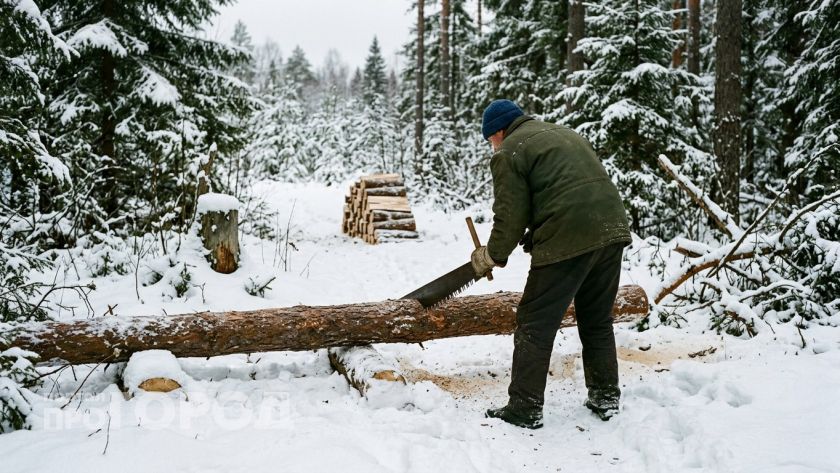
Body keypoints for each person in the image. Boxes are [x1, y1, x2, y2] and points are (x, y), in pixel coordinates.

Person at [470, 99, 632, 429]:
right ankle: (605, 396)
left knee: (534, 321)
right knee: (596, 318)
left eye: (490, 140)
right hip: (612, 227)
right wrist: (537, 233)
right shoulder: (563, 133)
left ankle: (524, 407)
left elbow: (510, 215)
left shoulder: (510, 150)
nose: (492, 147)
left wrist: (492, 255)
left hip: (570, 234)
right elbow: (564, 190)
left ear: (499, 131)